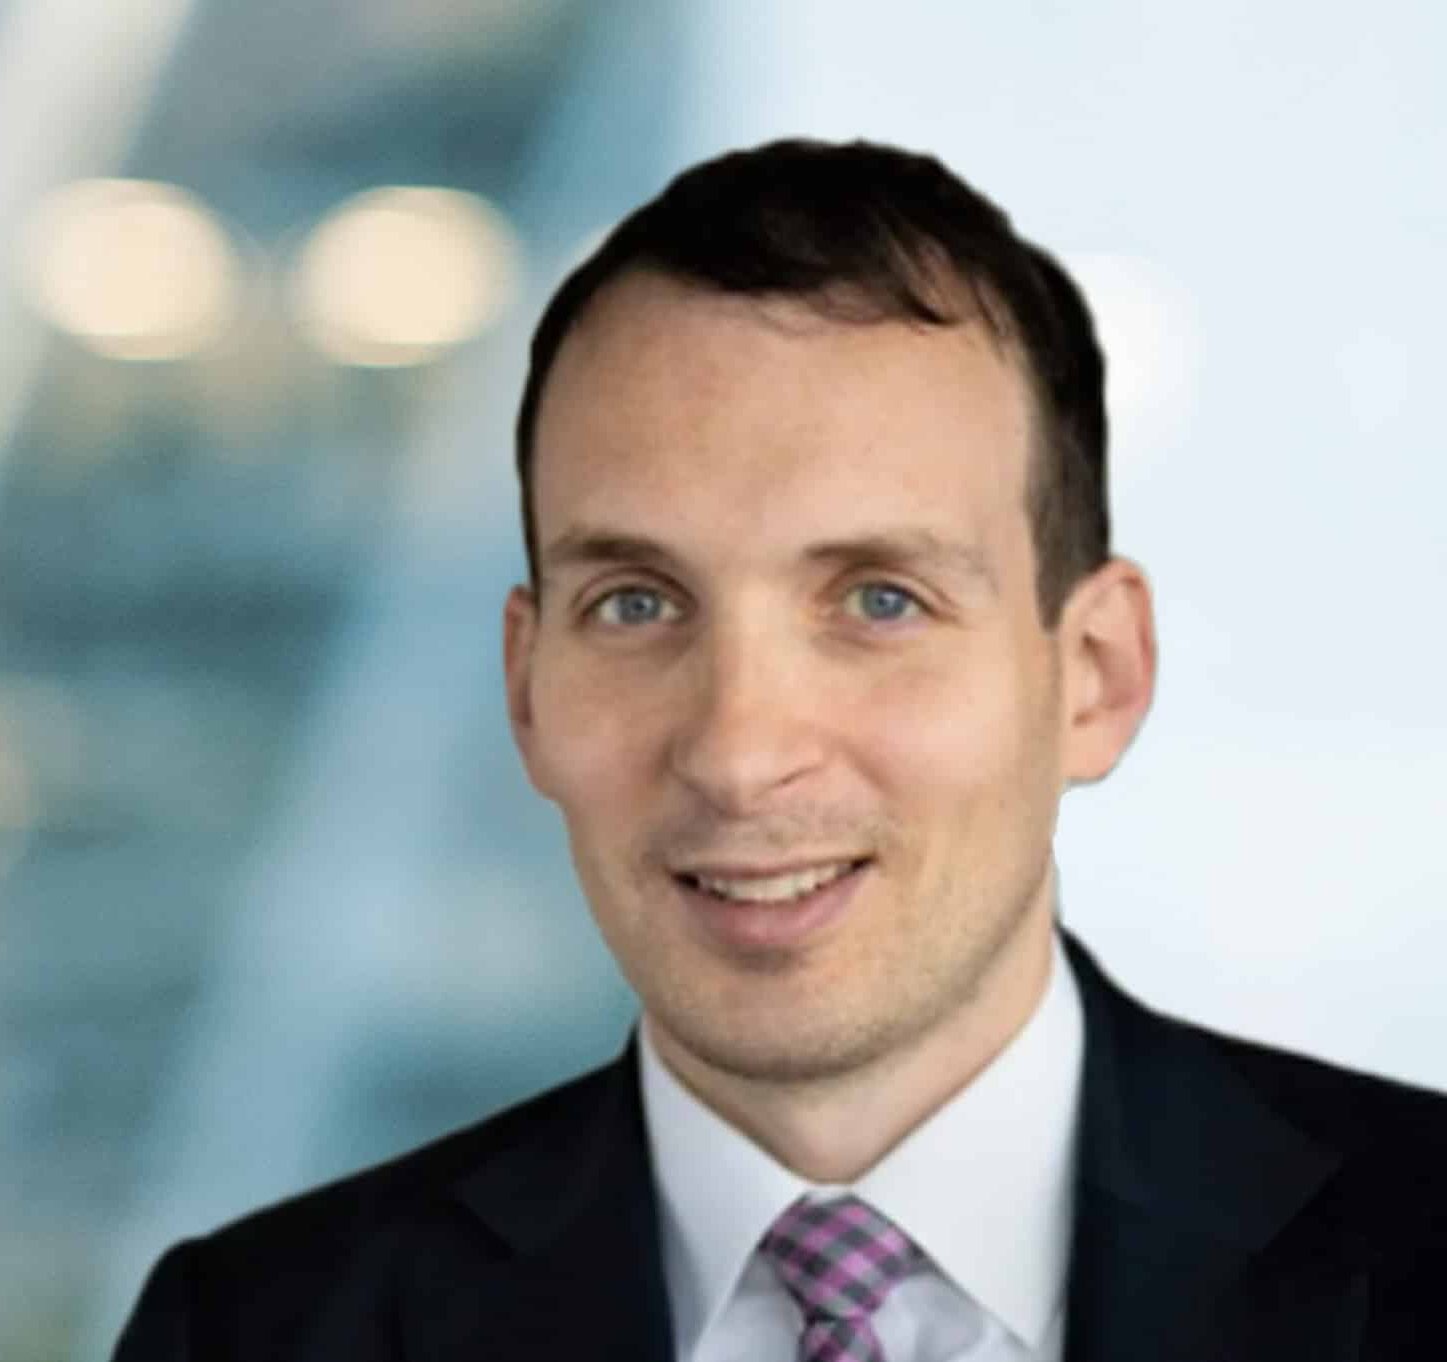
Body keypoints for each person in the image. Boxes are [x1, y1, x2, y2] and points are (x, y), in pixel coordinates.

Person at [114, 139, 1446, 1362]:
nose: (741, 753)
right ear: (527, 688)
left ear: (1094, 676)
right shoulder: (250, 1332)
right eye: (635, 604)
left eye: (880, 599)